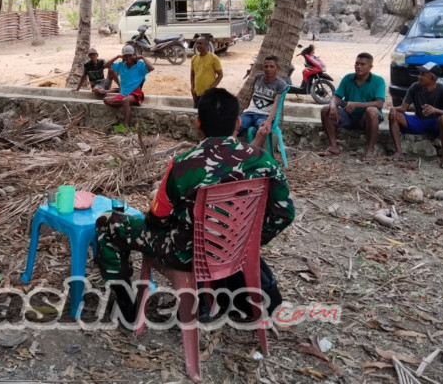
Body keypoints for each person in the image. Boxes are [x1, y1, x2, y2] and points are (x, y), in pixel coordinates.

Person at [95, 88, 295, 322]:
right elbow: (285, 213)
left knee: (107, 223)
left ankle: (125, 307)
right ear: (238, 122)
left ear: (197, 122)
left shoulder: (183, 164)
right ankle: (203, 296)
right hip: (237, 250)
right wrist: (245, 240)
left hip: (185, 254)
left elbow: (158, 219)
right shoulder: (263, 160)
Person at [320, 52, 385, 160]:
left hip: (366, 118)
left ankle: (369, 150)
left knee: (372, 111)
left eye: (362, 64)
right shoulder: (348, 78)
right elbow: (336, 97)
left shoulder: (378, 81)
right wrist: (333, 106)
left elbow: (379, 104)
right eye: (357, 63)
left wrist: (357, 105)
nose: (358, 66)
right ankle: (333, 147)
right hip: (348, 115)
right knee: (325, 109)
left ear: (370, 67)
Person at [388, 62, 443, 169]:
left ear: (432, 78)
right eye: (420, 74)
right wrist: (394, 109)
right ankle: (398, 151)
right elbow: (403, 108)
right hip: (418, 120)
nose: (419, 77)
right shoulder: (415, 87)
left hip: (435, 123)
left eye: (423, 75)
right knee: (395, 115)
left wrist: (435, 110)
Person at [237, 55, 288, 148]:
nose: (268, 69)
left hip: (264, 115)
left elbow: (276, 105)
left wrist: (268, 121)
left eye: (272, 66)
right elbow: (252, 95)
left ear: (278, 69)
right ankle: (233, 154)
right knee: (234, 127)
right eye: (266, 66)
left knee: (262, 131)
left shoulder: (281, 85)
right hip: (249, 113)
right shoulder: (258, 78)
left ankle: (252, 155)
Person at [103, 45, 154, 127]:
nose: (127, 58)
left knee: (126, 100)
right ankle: (126, 104)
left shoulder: (140, 66)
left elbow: (151, 68)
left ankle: (126, 126)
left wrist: (142, 57)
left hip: (136, 94)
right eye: (125, 56)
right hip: (123, 94)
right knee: (106, 100)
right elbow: (105, 66)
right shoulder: (121, 65)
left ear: (134, 55)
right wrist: (117, 56)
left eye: (129, 55)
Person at [190, 37, 223, 108]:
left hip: (208, 95)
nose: (198, 45)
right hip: (197, 93)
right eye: (197, 43)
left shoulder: (214, 58)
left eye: (200, 43)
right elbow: (192, 75)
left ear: (207, 44)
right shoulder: (194, 58)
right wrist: (192, 88)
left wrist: (211, 89)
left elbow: (220, 75)